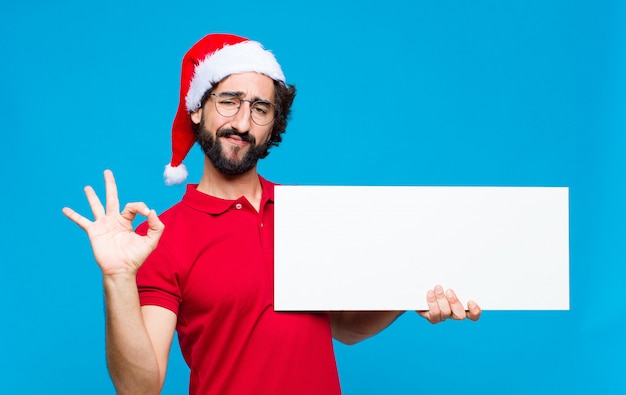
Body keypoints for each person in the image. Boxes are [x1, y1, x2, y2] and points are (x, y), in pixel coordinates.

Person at [62, 33, 481, 395]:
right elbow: (140, 387)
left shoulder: (309, 213)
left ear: (272, 124)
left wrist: (407, 289)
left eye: (260, 109)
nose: (242, 123)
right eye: (229, 102)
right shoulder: (163, 235)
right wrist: (117, 278)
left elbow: (346, 329)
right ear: (197, 109)